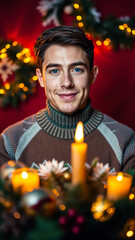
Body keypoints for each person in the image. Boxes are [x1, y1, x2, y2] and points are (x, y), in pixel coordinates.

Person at [0, 25, 135, 171]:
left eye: (77, 69)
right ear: (40, 77)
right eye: (54, 71)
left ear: (92, 75)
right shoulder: (11, 143)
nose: (66, 83)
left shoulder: (125, 142)